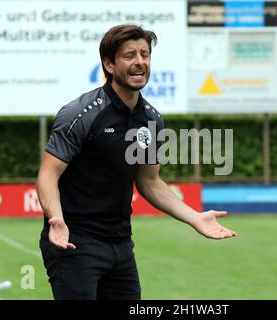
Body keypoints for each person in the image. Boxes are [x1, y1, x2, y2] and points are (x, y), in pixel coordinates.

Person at [37, 24, 237, 300]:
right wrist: (56, 218)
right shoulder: (80, 114)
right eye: (129, 55)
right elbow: (48, 174)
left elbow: (150, 182)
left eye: (145, 54)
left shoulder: (151, 119)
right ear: (109, 64)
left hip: (121, 245)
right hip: (74, 241)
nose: (139, 62)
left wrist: (194, 218)